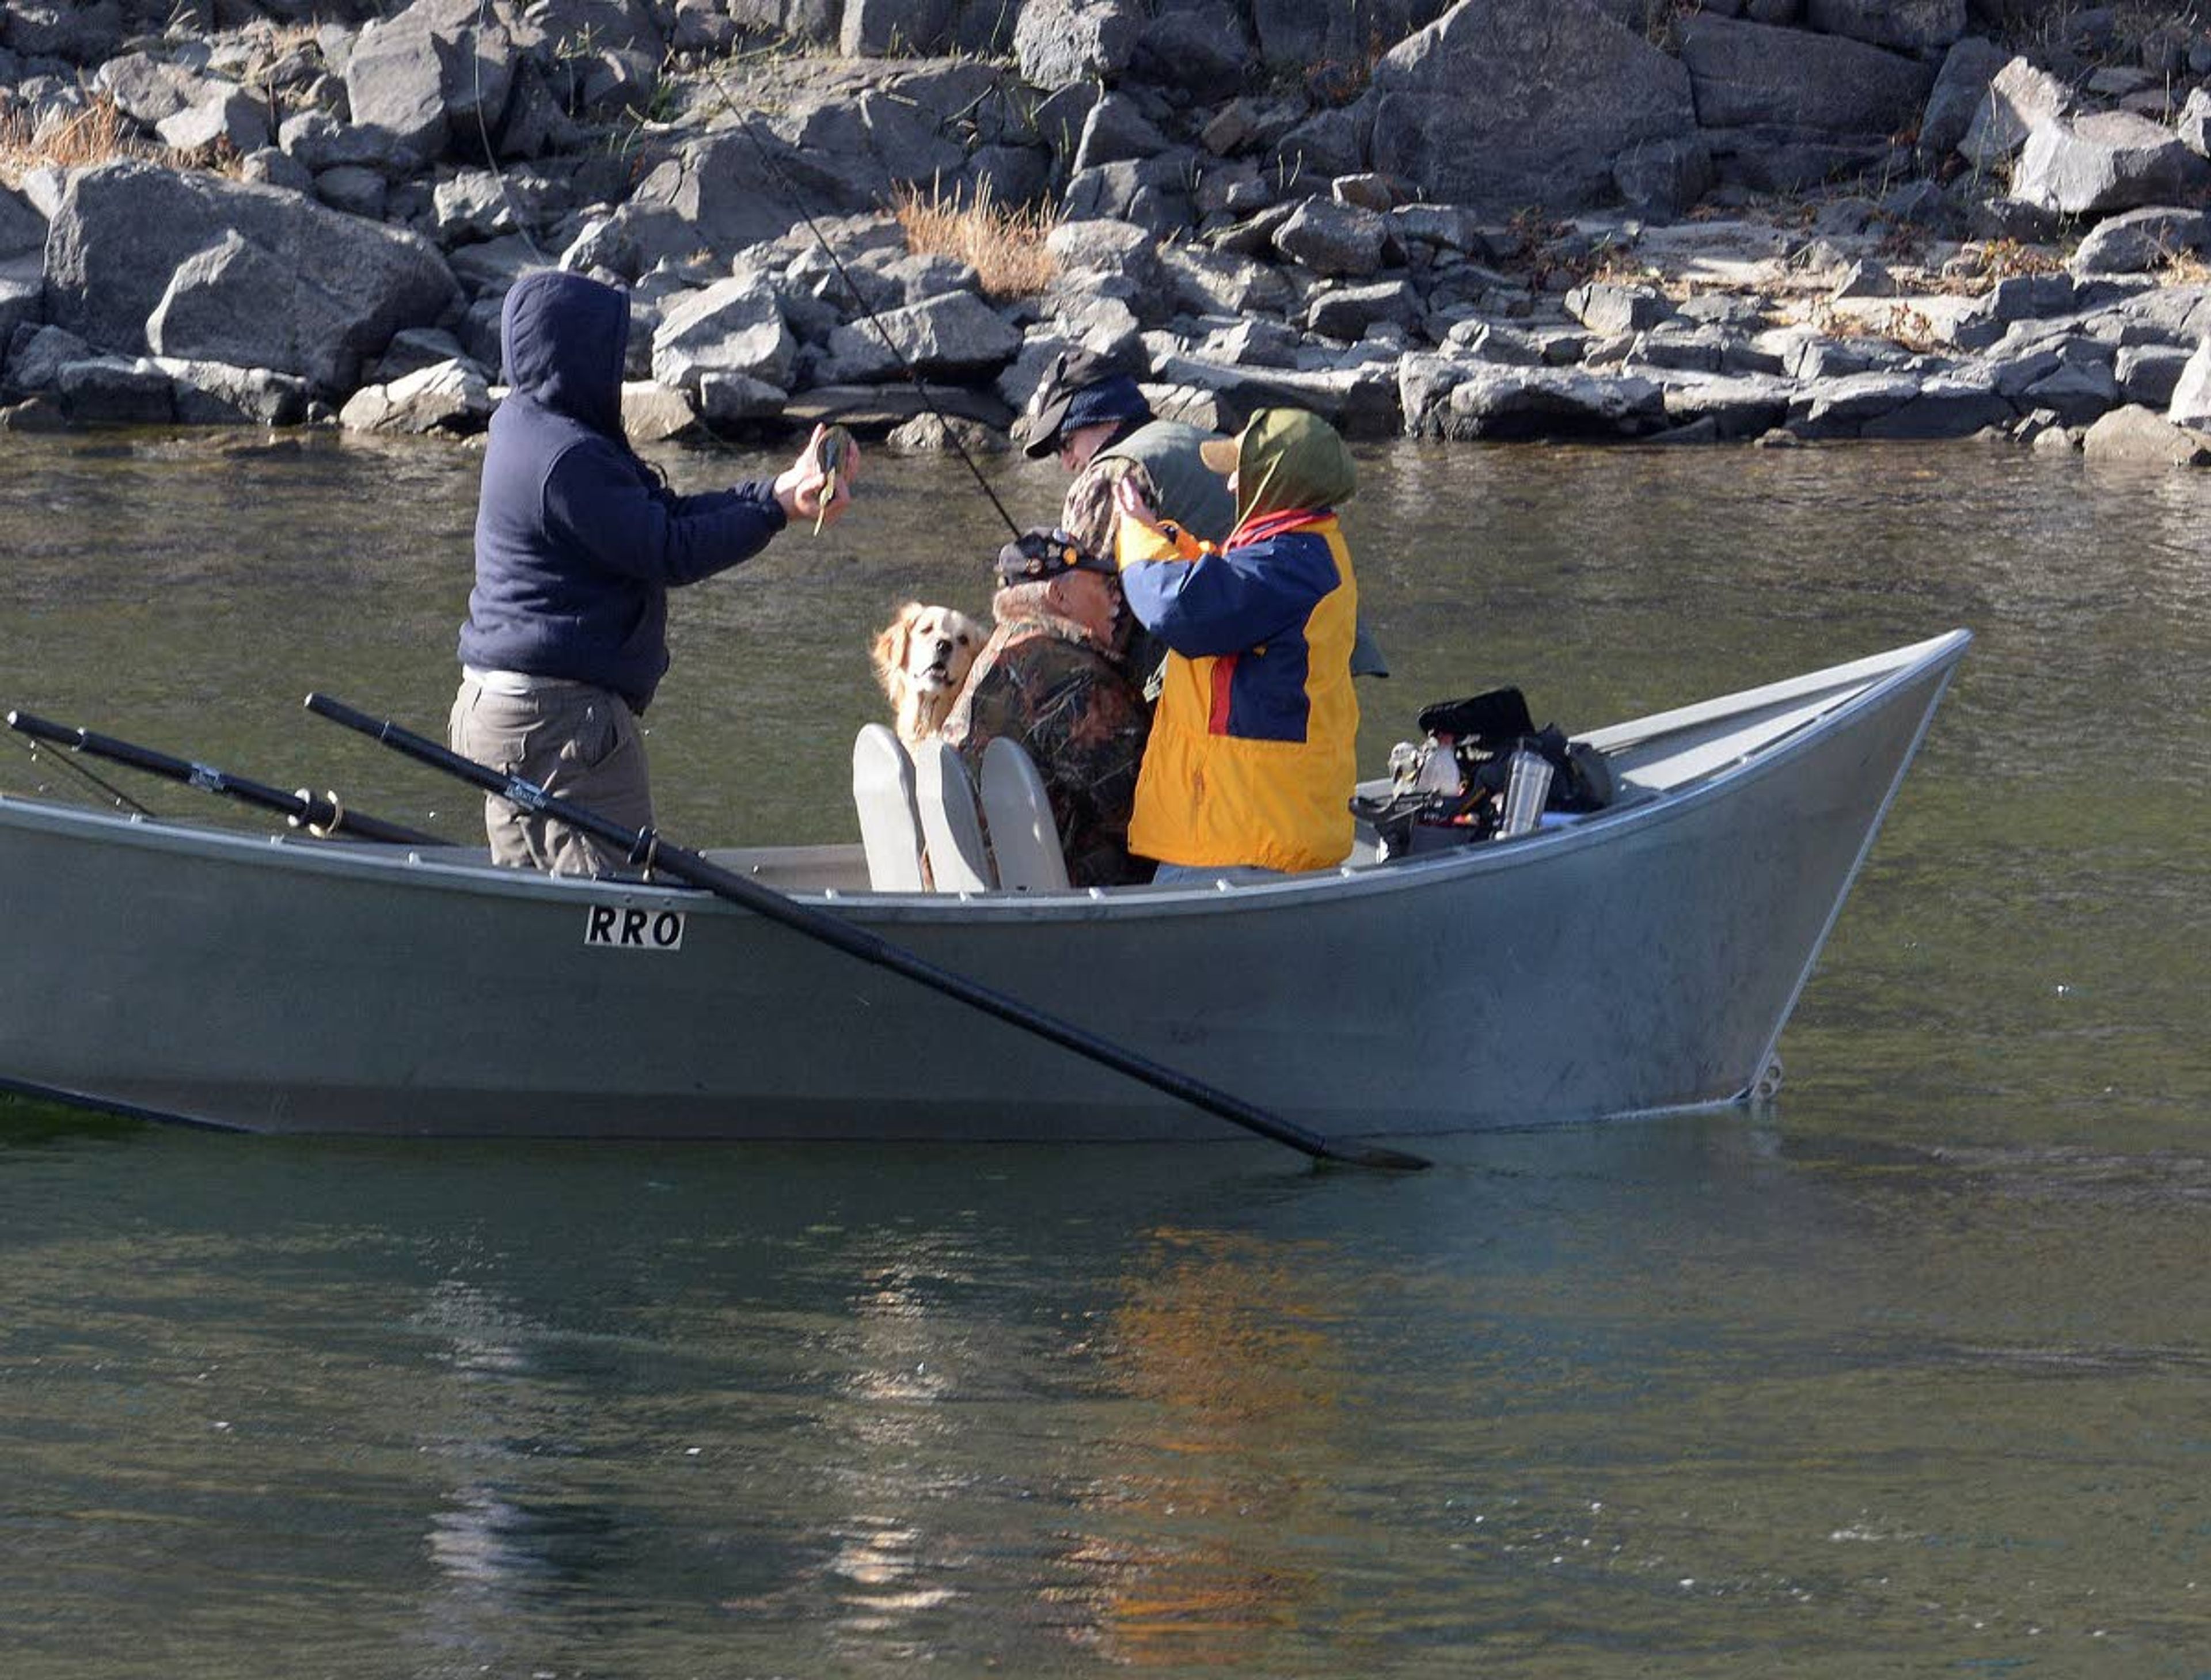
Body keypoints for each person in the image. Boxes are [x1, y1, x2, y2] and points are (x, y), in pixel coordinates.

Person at [451, 268, 853, 875]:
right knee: (612, 904)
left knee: (540, 909)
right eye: (609, 352)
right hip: (559, 729)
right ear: (576, 354)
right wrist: (772, 513)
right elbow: (670, 549)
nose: (619, 370)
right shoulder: (569, 457)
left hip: (503, 713)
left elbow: (659, 513)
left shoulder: (526, 424)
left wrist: (777, 490)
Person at [1016, 348, 1386, 690]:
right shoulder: (1199, 439)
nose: (1066, 463)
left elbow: (1090, 618)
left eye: (1066, 443)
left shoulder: (1112, 473)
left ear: (1103, 417)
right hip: (1317, 656)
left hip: (1226, 682)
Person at [1112, 406, 1361, 881]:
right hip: (1261, 834)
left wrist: (1137, 542)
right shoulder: (1304, 552)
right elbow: (1226, 583)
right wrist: (1171, 540)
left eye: (1240, 475)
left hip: (1242, 849)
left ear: (1275, 483)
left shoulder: (1288, 567)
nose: (1229, 486)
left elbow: (1178, 608)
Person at [939, 528, 1153, 888]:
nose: (1117, 598)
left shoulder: (1000, 650)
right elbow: (1142, 807)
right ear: (1059, 595)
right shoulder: (1073, 674)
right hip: (1052, 899)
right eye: (1105, 585)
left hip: (980, 882)